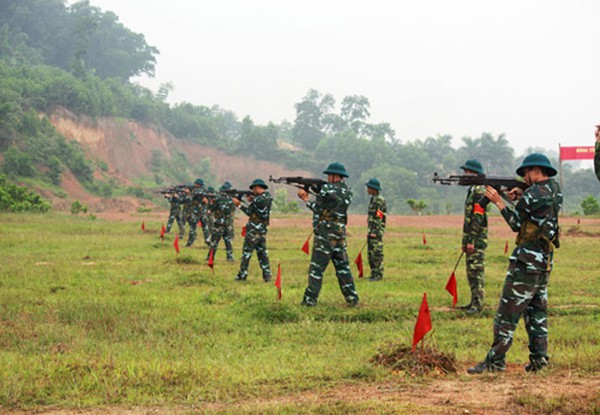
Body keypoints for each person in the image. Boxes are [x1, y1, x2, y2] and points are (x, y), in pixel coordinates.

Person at [468, 153, 562, 374]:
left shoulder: (533, 195)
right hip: (544, 260)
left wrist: (499, 202)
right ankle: (539, 361)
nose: (525, 177)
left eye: (526, 174)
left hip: (526, 261)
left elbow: (515, 223)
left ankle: (495, 361)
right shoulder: (554, 189)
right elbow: (535, 207)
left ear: (535, 170)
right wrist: (519, 195)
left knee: (507, 313)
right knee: (536, 312)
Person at [297, 162, 359, 307]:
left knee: (316, 268)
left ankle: (309, 301)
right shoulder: (348, 190)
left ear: (333, 176)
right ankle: (352, 298)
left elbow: (318, 208)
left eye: (329, 175)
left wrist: (306, 199)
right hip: (340, 232)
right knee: (343, 268)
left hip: (326, 233)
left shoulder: (326, 189)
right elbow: (332, 203)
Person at [459, 159, 488, 315]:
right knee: (471, 272)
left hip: (477, 240)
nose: (464, 175)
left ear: (474, 174)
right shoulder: (472, 190)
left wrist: (471, 241)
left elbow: (477, 218)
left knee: (476, 272)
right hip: (471, 239)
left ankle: (478, 305)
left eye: (467, 172)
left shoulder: (479, 191)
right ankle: (473, 301)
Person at [233, 179, 273, 281]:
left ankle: (242, 274)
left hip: (253, 230)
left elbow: (249, 212)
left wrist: (239, 205)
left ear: (257, 187)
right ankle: (267, 275)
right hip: (262, 230)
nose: (253, 190)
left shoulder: (258, 200)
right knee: (262, 253)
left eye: (254, 188)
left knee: (247, 253)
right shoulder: (268, 196)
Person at [365, 178, 386, 281]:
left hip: (376, 232)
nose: (367, 189)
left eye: (369, 187)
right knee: (370, 254)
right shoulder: (373, 199)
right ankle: (373, 273)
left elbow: (379, 217)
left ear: (374, 189)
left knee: (376, 253)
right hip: (371, 231)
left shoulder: (379, 200)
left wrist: (375, 232)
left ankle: (378, 274)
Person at [207, 182, 235, 261]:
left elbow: (210, 210)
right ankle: (230, 257)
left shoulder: (217, 199)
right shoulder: (231, 200)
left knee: (214, 242)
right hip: (227, 223)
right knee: (228, 242)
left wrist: (211, 202)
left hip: (218, 224)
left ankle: (210, 257)